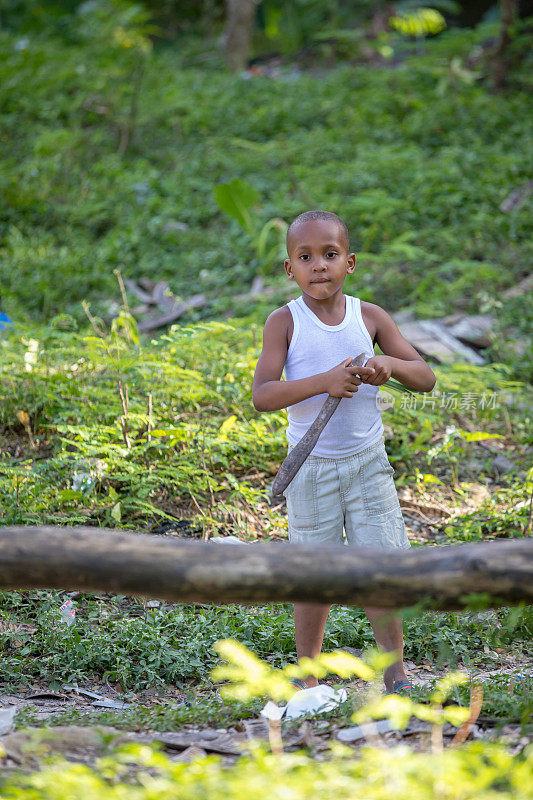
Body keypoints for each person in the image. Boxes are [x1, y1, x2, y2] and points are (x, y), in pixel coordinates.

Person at [252, 210, 436, 694]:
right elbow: (263, 395)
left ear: (349, 262)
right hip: (311, 468)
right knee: (315, 576)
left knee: (379, 568)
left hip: (367, 465)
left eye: (330, 255)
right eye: (305, 257)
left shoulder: (369, 317)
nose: (319, 267)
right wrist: (324, 382)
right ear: (289, 269)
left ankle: (396, 673)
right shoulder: (283, 322)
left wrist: (388, 364)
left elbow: (427, 378)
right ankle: (307, 679)